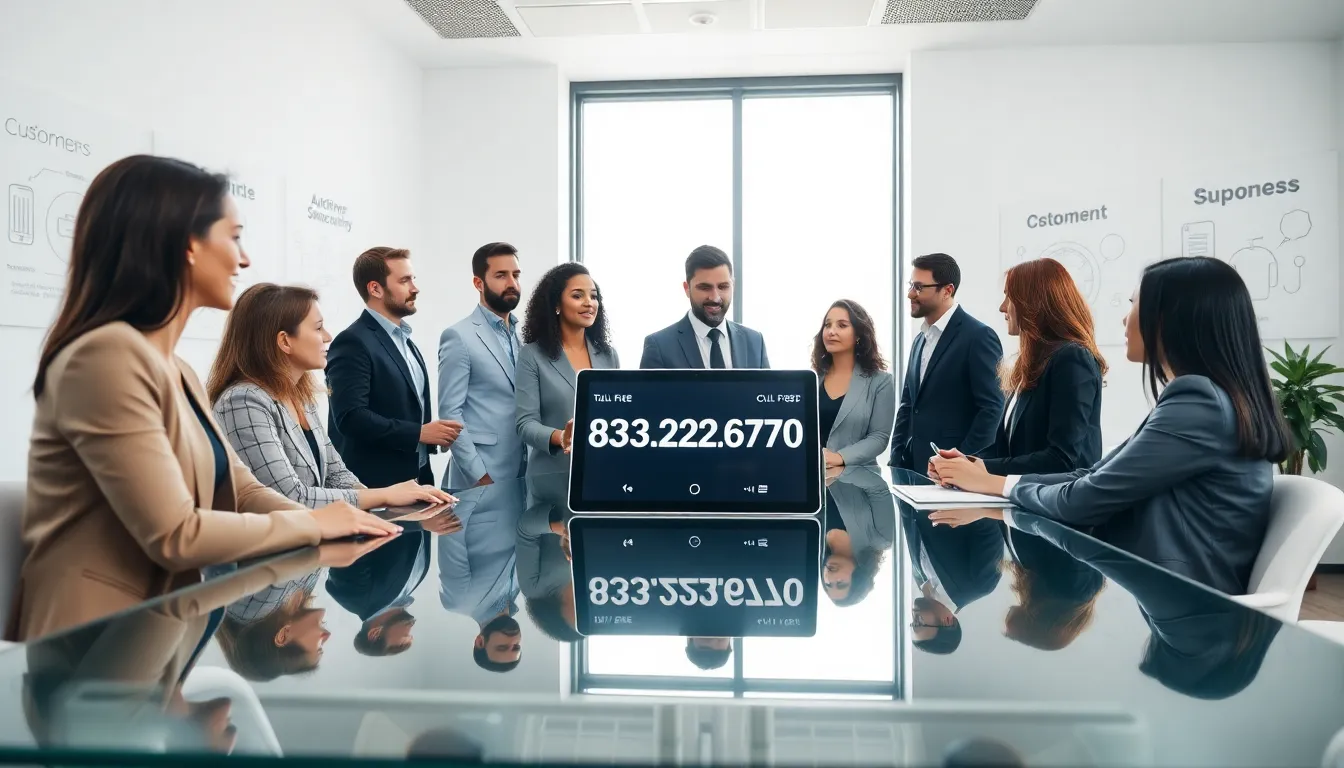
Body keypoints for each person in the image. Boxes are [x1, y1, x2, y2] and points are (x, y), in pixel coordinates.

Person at [18, 155, 398, 642]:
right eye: (234, 236)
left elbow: (240, 489)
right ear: (188, 246)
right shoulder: (106, 357)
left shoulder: (176, 370)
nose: (244, 259)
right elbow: (176, 536)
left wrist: (330, 517)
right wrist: (313, 525)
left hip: (158, 630)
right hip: (94, 649)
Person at [928, 256, 1293, 595]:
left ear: (1171, 318)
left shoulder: (1198, 401)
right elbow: (1091, 474)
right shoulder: (1205, 399)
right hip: (1174, 600)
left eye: (1134, 305)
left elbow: (1084, 497)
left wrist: (994, 483)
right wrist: (987, 477)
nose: (1124, 319)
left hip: (1190, 606)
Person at [208, 283, 455, 511]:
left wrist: (386, 509)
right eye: (318, 328)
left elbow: (335, 474)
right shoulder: (243, 401)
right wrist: (384, 496)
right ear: (284, 340)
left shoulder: (300, 396)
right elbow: (289, 498)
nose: (328, 336)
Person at [931, 258, 1105, 484]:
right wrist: (965, 462)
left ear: (1033, 302)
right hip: (1026, 504)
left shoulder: (1072, 358)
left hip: (1059, 509)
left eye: (1009, 297)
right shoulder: (1033, 364)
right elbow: (1009, 451)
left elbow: (1062, 459)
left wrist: (978, 469)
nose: (1002, 307)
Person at [326, 247, 462, 489]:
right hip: (374, 487)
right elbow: (350, 417)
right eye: (404, 280)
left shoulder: (407, 341)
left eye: (413, 279)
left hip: (417, 480)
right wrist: (418, 433)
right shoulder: (352, 342)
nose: (415, 288)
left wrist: (433, 437)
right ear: (375, 288)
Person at [889, 253, 1004, 471]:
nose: (910, 294)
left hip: (954, 473)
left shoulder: (978, 336)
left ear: (947, 290)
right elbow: (908, 406)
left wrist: (963, 462)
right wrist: (896, 458)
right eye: (911, 285)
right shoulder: (919, 341)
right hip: (913, 468)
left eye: (919, 287)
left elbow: (992, 408)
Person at [515, 262, 620, 478]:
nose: (589, 303)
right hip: (552, 477)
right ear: (556, 304)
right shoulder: (532, 355)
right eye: (577, 296)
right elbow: (525, 425)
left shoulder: (608, 355)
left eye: (593, 296)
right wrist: (561, 436)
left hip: (603, 474)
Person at [438, 242, 528, 490]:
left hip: (523, 475)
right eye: (501, 275)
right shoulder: (458, 336)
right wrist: (480, 476)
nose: (512, 283)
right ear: (478, 283)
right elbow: (450, 415)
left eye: (516, 275)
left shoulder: (525, 337)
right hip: (478, 479)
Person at [436, 479, 526, 673]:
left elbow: (451, 531)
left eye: (502, 646)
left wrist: (478, 480)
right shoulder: (522, 591)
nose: (512, 641)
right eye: (516, 647)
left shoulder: (458, 602)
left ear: (480, 642)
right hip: (522, 477)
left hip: (484, 480)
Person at [639, 245, 769, 369]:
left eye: (723, 287)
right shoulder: (659, 347)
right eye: (705, 288)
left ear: (733, 286)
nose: (715, 297)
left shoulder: (755, 342)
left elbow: (766, 392)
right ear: (687, 289)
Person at [812, 299, 896, 468]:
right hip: (815, 480)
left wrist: (839, 457)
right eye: (827, 325)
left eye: (842, 325)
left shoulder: (880, 382)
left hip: (860, 482)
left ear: (858, 335)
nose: (831, 331)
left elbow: (879, 437)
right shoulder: (812, 379)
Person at [823, 465, 896, 607]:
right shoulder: (879, 536)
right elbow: (876, 483)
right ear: (859, 577)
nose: (831, 577)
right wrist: (838, 473)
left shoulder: (815, 541)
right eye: (840, 583)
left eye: (828, 584)